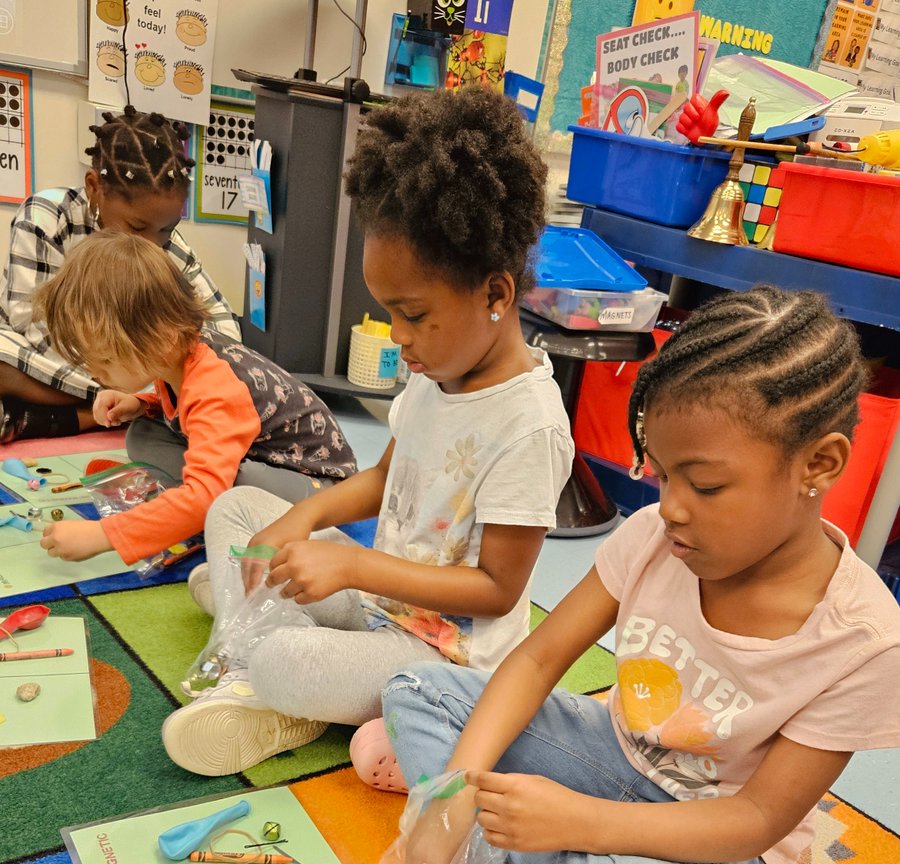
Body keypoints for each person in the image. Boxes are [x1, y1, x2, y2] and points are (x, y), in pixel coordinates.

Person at [379, 286, 900, 864]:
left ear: (819, 465)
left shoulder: (863, 640)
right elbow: (537, 659)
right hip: (616, 754)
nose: (672, 509)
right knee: (417, 688)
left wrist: (568, 819)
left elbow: (756, 820)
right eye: (661, 476)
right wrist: (456, 787)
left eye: (706, 485)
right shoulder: (652, 537)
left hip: (715, 837)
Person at [160, 86, 574, 778]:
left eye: (412, 314)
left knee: (284, 656)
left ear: (496, 296)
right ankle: (256, 637)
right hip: (378, 606)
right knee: (238, 511)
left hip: (443, 657)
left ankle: (263, 670)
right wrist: (308, 516)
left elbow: (498, 590)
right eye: (388, 312)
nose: (398, 339)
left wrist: (349, 565)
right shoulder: (436, 369)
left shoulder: (530, 425)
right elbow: (387, 480)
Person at [35, 230, 357, 566]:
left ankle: (186, 512)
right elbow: (192, 411)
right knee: (145, 432)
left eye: (103, 359)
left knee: (227, 488)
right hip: (263, 459)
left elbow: (208, 482)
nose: (93, 371)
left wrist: (103, 535)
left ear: (159, 337)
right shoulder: (176, 352)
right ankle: (179, 509)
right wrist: (142, 405)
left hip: (321, 492)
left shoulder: (215, 382)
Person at [0, 106, 240, 444]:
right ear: (94, 186)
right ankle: (105, 411)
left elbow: (224, 332)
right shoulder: (46, 215)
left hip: (126, 373)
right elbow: (32, 324)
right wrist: (115, 376)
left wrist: (143, 377)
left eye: (166, 230)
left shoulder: (166, 247)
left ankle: (91, 412)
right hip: (59, 361)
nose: (151, 244)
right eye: (137, 226)